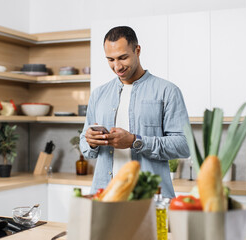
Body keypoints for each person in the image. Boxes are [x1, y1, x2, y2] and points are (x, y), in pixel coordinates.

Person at [79, 26, 190, 198]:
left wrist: (135, 141)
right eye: (110, 59)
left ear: (137, 50)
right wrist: (91, 142)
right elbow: (85, 148)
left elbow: (183, 145)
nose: (117, 66)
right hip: (105, 197)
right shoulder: (99, 95)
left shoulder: (167, 91)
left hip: (151, 199)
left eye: (123, 58)